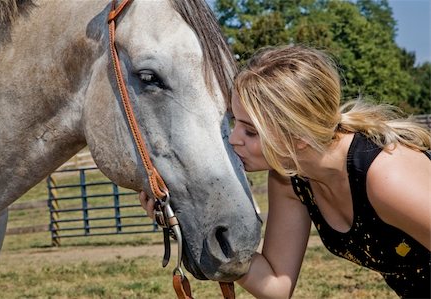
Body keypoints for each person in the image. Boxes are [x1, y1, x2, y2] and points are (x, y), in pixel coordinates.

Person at [140, 45, 431, 298]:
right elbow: (277, 285)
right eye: (235, 122)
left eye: (250, 131)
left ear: (298, 136)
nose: (233, 139)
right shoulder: (291, 178)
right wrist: (196, 223)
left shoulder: (385, 178)